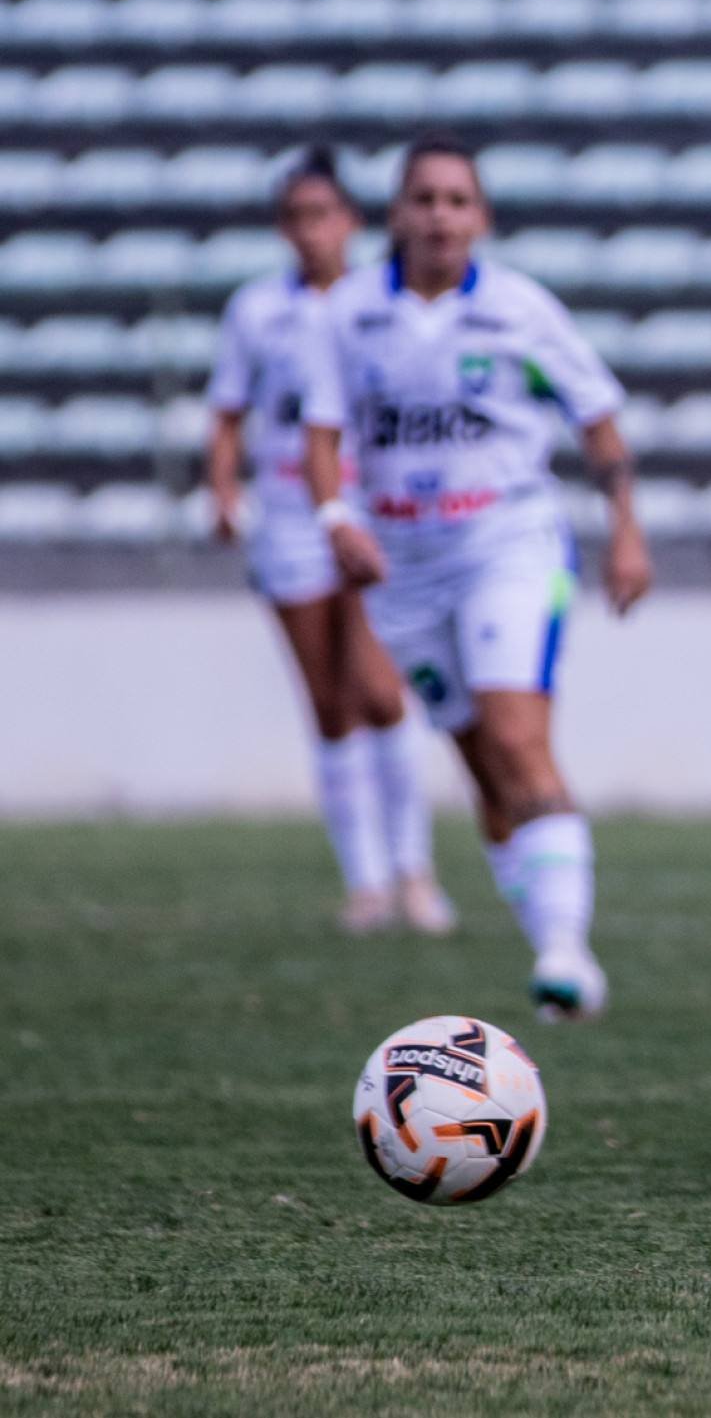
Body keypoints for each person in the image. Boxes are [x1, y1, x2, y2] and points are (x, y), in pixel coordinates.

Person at [299, 139, 652, 1021]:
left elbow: (597, 416)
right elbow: (322, 434)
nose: (441, 214)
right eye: (424, 198)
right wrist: (338, 520)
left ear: (481, 217)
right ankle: (555, 951)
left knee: (518, 738)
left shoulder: (520, 308)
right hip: (404, 569)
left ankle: (566, 950)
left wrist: (628, 532)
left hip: (509, 543)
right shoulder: (348, 315)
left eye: (458, 199)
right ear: (397, 215)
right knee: (484, 770)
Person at [206, 147, 454, 936]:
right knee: (330, 702)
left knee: (382, 691)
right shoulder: (256, 311)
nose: (311, 231)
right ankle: (366, 881)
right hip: (288, 517)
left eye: (324, 214)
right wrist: (223, 489)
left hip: (373, 513)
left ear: (351, 220)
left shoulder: (379, 305)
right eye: (297, 217)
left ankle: (415, 870)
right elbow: (228, 410)